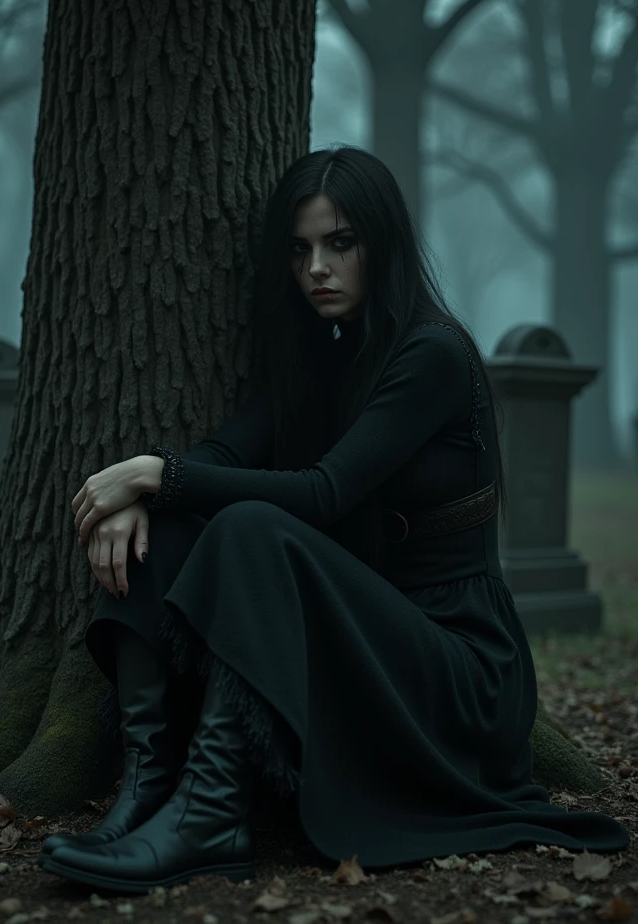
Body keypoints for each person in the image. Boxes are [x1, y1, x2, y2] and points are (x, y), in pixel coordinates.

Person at [37, 146, 629, 894]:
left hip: (458, 671)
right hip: (375, 638)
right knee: (176, 524)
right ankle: (151, 786)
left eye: (339, 243)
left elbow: (323, 494)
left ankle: (213, 813)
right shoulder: (321, 356)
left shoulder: (433, 356)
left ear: (382, 244)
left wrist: (156, 472)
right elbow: (224, 451)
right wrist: (138, 499)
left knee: (247, 523)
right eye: (300, 249)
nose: (317, 267)